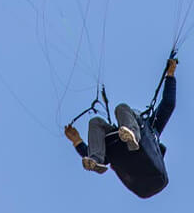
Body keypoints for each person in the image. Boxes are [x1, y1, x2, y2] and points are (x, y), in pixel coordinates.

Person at [63, 57, 178, 199]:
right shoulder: (116, 142)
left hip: (145, 157)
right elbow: (94, 148)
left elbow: (168, 105)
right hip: (129, 161)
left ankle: (133, 139)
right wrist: (76, 140)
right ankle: (97, 160)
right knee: (95, 122)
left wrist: (170, 75)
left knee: (121, 108)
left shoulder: (153, 127)